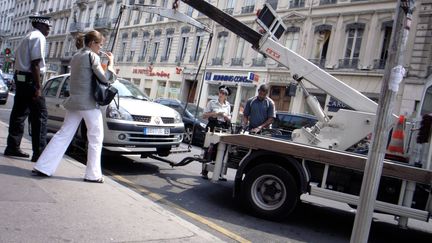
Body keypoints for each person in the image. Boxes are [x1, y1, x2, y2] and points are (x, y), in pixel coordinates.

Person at [32, 30, 116, 183]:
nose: (101, 48)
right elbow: (106, 79)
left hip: (74, 102)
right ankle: (93, 175)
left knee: (63, 134)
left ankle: (43, 166)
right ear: (92, 43)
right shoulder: (92, 56)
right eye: (100, 45)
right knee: (96, 138)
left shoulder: (77, 56)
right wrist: (111, 63)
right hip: (89, 103)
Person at [4, 16, 51, 162]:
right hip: (31, 80)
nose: (49, 29)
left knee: (19, 113)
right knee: (40, 116)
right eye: (47, 27)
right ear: (40, 25)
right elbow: (35, 63)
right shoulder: (38, 37)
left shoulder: (27, 37)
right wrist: (38, 86)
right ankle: (39, 153)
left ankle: (12, 146)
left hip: (21, 79)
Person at [201, 85, 231, 180]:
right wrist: (215, 114)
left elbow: (229, 117)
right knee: (209, 149)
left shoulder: (228, 105)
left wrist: (227, 117)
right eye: (221, 92)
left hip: (223, 127)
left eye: (224, 93)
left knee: (221, 149)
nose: (221, 94)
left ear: (226, 96)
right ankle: (205, 171)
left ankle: (218, 172)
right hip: (213, 126)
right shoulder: (212, 102)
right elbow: (204, 115)